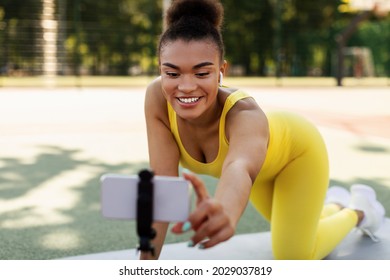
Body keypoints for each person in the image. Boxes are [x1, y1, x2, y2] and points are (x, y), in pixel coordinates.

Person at [142, 0, 385, 260]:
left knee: (295, 255)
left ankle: (360, 211)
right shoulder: (157, 98)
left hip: (297, 153)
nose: (186, 86)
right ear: (161, 70)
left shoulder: (244, 114)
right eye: (173, 73)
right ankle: (334, 203)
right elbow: (164, 184)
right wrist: (145, 265)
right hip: (261, 174)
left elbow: (239, 168)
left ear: (221, 71)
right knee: (295, 225)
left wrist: (224, 208)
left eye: (202, 73)